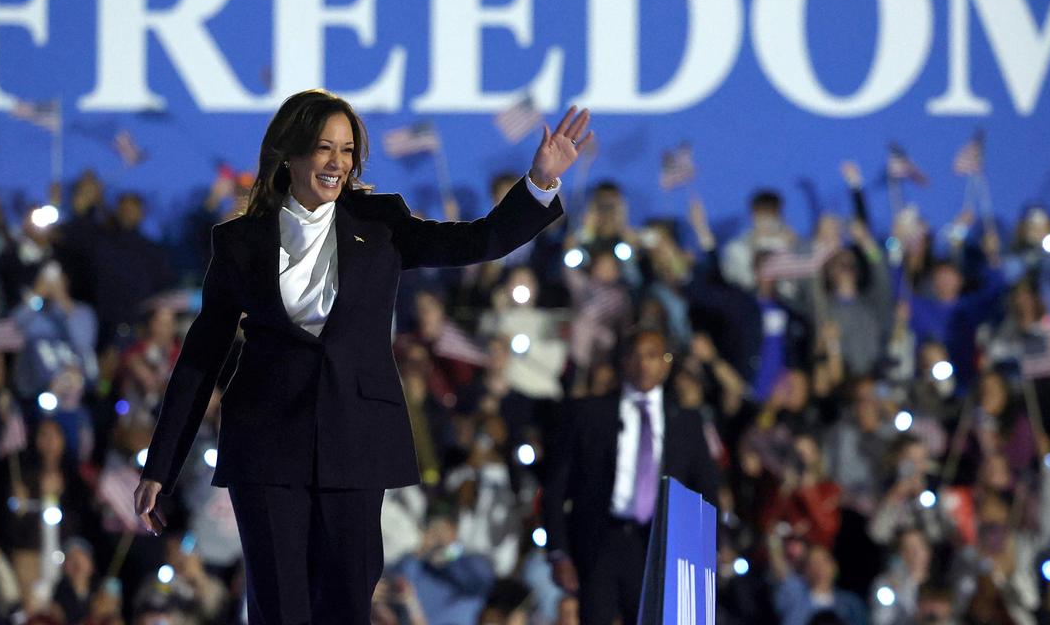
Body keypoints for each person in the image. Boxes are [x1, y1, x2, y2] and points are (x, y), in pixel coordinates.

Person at [133, 89, 591, 624]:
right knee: (280, 608)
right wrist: (160, 466)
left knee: (347, 604)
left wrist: (538, 183)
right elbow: (200, 358)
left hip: (356, 439)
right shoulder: (239, 242)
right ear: (291, 153)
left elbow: (477, 241)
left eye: (347, 150)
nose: (337, 163)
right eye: (324, 148)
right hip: (266, 445)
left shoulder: (380, 223)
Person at [542, 328, 719, 625]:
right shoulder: (589, 413)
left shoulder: (686, 422)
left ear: (666, 363)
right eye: (636, 356)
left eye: (652, 356)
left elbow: (706, 491)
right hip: (599, 543)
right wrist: (559, 552)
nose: (644, 364)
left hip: (659, 547)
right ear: (623, 362)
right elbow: (556, 488)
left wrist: (704, 554)